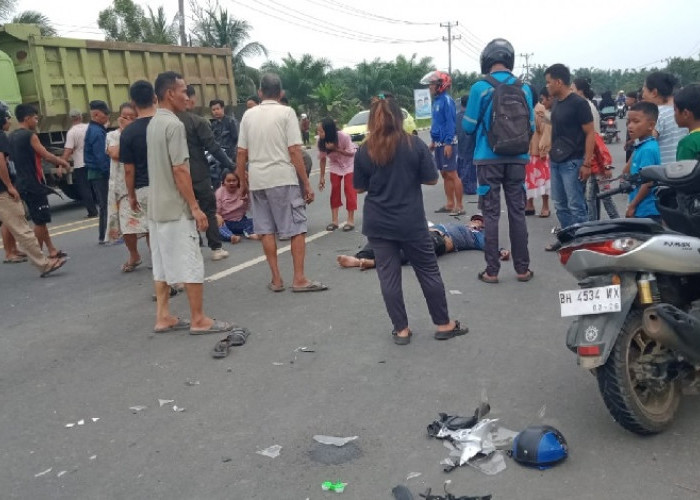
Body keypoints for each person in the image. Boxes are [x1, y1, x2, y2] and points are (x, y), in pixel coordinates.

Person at [353, 93, 468, 345]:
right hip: (411, 221)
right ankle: (443, 324)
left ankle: (401, 330)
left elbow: (359, 188)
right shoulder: (413, 144)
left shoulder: (364, 150)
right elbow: (432, 179)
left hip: (378, 223)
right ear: (399, 118)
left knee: (388, 276)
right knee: (427, 271)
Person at [147, 71, 236, 334]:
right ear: (169, 93)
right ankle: (198, 319)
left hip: (157, 209)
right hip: (177, 208)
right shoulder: (174, 125)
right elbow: (180, 170)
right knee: (191, 262)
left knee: (161, 265)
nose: (188, 96)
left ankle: (163, 316)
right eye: (184, 91)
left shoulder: (153, 123)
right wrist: (195, 208)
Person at [236, 73, 327, 293]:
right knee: (297, 228)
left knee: (266, 230)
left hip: (257, 179)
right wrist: (306, 183)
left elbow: (241, 153)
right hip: (282, 178)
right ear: (281, 93)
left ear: (259, 93)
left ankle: (276, 280)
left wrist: (242, 182)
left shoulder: (248, 115)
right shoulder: (286, 112)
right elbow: (294, 150)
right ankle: (299, 278)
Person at [462, 38, 534, 283]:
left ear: (487, 60)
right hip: (517, 160)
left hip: (488, 159)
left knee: (491, 214)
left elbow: (468, 127)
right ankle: (522, 269)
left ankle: (492, 271)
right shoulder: (524, 88)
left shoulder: (479, 88)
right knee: (517, 213)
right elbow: (532, 125)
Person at [0, 102, 66, 277]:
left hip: (19, 183)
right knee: (31, 224)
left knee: (10, 221)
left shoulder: (11, 136)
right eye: (35, 117)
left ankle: (14, 251)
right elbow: (44, 154)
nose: (37, 120)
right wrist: (62, 161)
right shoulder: (24, 136)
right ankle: (40, 259)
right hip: (26, 184)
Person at [543, 63, 595, 251]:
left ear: (558, 82)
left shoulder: (579, 104)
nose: (547, 86)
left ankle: (583, 242)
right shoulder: (556, 102)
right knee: (560, 204)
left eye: (549, 82)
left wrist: (587, 163)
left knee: (576, 205)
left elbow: (591, 133)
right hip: (556, 159)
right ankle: (567, 238)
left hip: (573, 161)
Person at [178, 85, 233, 261]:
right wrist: (231, 166)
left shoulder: (165, 122)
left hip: (176, 176)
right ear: (191, 99)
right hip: (198, 173)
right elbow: (213, 148)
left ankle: (191, 247)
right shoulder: (197, 121)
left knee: (183, 211)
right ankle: (216, 247)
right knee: (208, 209)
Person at [337, 214, 510, 270]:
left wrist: (499, 250)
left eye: (479, 221)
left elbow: (487, 243)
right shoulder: (457, 224)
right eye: (474, 219)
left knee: (413, 251)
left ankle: (373, 262)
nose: (475, 222)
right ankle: (358, 257)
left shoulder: (476, 235)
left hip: (439, 241)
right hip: (425, 232)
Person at [120, 80, 155, 280]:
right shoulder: (167, 123)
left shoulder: (128, 133)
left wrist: (131, 195)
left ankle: (164, 280)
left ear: (133, 102)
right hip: (169, 187)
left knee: (153, 230)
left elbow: (129, 170)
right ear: (154, 97)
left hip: (144, 190)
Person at [421, 70, 463, 215]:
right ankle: (450, 204)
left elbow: (450, 123)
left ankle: (460, 206)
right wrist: (433, 141)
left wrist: (448, 143)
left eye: (432, 84)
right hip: (439, 143)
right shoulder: (437, 101)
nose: (430, 87)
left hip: (447, 142)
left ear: (441, 85)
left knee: (452, 173)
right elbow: (437, 123)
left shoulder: (447, 101)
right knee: (445, 173)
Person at [105, 102, 137, 268]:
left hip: (138, 184)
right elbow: (116, 153)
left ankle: (155, 257)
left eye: (132, 118)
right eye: (124, 116)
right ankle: (134, 255)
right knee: (127, 226)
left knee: (146, 225)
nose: (127, 120)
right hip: (120, 187)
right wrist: (125, 132)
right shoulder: (112, 136)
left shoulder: (139, 134)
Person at [317, 117, 357, 232]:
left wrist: (336, 149)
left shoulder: (343, 137)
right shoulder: (321, 142)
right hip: (335, 165)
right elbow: (323, 159)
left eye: (321, 131)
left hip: (349, 164)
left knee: (350, 190)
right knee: (335, 190)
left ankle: (350, 220)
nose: (318, 134)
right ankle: (334, 221)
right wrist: (322, 178)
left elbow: (351, 153)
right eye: (318, 131)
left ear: (328, 131)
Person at [642, 72, 688, 165]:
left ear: (654, 92)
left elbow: (645, 146)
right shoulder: (683, 112)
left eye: (644, 91)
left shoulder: (657, 114)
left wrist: (626, 170)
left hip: (663, 174)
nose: (643, 96)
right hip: (684, 171)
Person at [625, 102, 661, 221]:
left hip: (646, 210)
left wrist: (632, 206)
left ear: (651, 125)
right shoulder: (642, 145)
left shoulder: (648, 150)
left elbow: (648, 183)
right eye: (629, 122)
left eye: (636, 122)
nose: (630, 126)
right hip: (642, 208)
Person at [84, 100, 112, 244]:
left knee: (104, 204)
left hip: (95, 172)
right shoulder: (97, 132)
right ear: (96, 114)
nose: (107, 117)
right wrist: (109, 173)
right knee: (106, 204)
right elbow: (101, 156)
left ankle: (105, 235)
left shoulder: (94, 129)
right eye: (105, 114)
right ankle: (105, 236)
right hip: (100, 173)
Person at [62, 109, 97, 218]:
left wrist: (61, 164)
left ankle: (92, 211)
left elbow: (68, 150)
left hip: (80, 164)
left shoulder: (72, 132)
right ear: (81, 117)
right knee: (97, 186)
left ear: (71, 119)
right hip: (93, 162)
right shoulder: (89, 128)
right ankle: (106, 208)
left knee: (85, 188)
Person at [525, 87, 552, 217]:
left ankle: (545, 206)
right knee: (528, 180)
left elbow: (545, 130)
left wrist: (543, 150)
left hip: (539, 152)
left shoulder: (540, 109)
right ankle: (529, 204)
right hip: (527, 151)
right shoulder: (524, 108)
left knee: (543, 181)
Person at [215, 170, 260, 243]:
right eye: (228, 181)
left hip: (241, 220)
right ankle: (231, 237)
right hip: (226, 222)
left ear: (238, 181)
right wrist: (218, 217)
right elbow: (216, 212)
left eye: (234, 180)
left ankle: (250, 233)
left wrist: (246, 182)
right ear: (223, 182)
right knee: (217, 228)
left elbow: (251, 202)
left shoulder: (242, 190)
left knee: (255, 222)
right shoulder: (219, 193)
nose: (231, 183)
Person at [456, 94, 477, 195]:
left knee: (461, 162)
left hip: (460, 143)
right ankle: (469, 187)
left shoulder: (457, 116)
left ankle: (459, 183)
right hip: (470, 142)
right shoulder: (471, 117)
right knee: (470, 165)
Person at [674, 84, 700, 161]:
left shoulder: (688, 143)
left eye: (675, 110)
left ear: (685, 114)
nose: (674, 114)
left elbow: (682, 172)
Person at [624, 90, 641, 162]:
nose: (626, 101)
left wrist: (630, 141)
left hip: (634, 143)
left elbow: (638, 129)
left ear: (633, 100)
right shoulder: (631, 109)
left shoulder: (636, 110)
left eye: (627, 99)